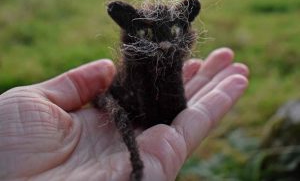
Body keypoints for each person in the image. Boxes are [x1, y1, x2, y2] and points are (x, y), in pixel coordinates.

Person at [0, 47, 249, 181]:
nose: (163, 43)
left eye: (172, 34)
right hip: (131, 109)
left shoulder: (172, 62)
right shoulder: (134, 71)